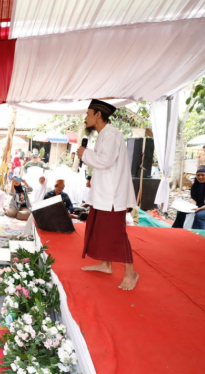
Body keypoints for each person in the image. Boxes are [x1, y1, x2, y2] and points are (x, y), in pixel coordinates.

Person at [77, 99, 138, 291]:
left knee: (116, 234)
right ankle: (106, 264)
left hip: (112, 195)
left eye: (88, 114)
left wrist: (84, 153)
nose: (85, 118)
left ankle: (131, 272)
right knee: (102, 230)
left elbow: (106, 161)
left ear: (97, 115)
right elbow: (104, 164)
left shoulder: (111, 135)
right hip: (104, 192)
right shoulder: (104, 135)